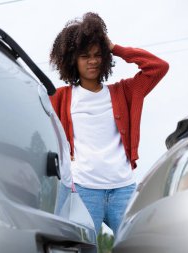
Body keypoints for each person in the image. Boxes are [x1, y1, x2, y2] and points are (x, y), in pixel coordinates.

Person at [49, 12, 169, 235]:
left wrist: (115, 47)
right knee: (83, 249)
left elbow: (158, 67)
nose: (93, 61)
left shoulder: (125, 91)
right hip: (83, 191)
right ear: (73, 60)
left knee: (139, 244)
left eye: (98, 54)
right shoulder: (60, 97)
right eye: (85, 56)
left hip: (123, 189)